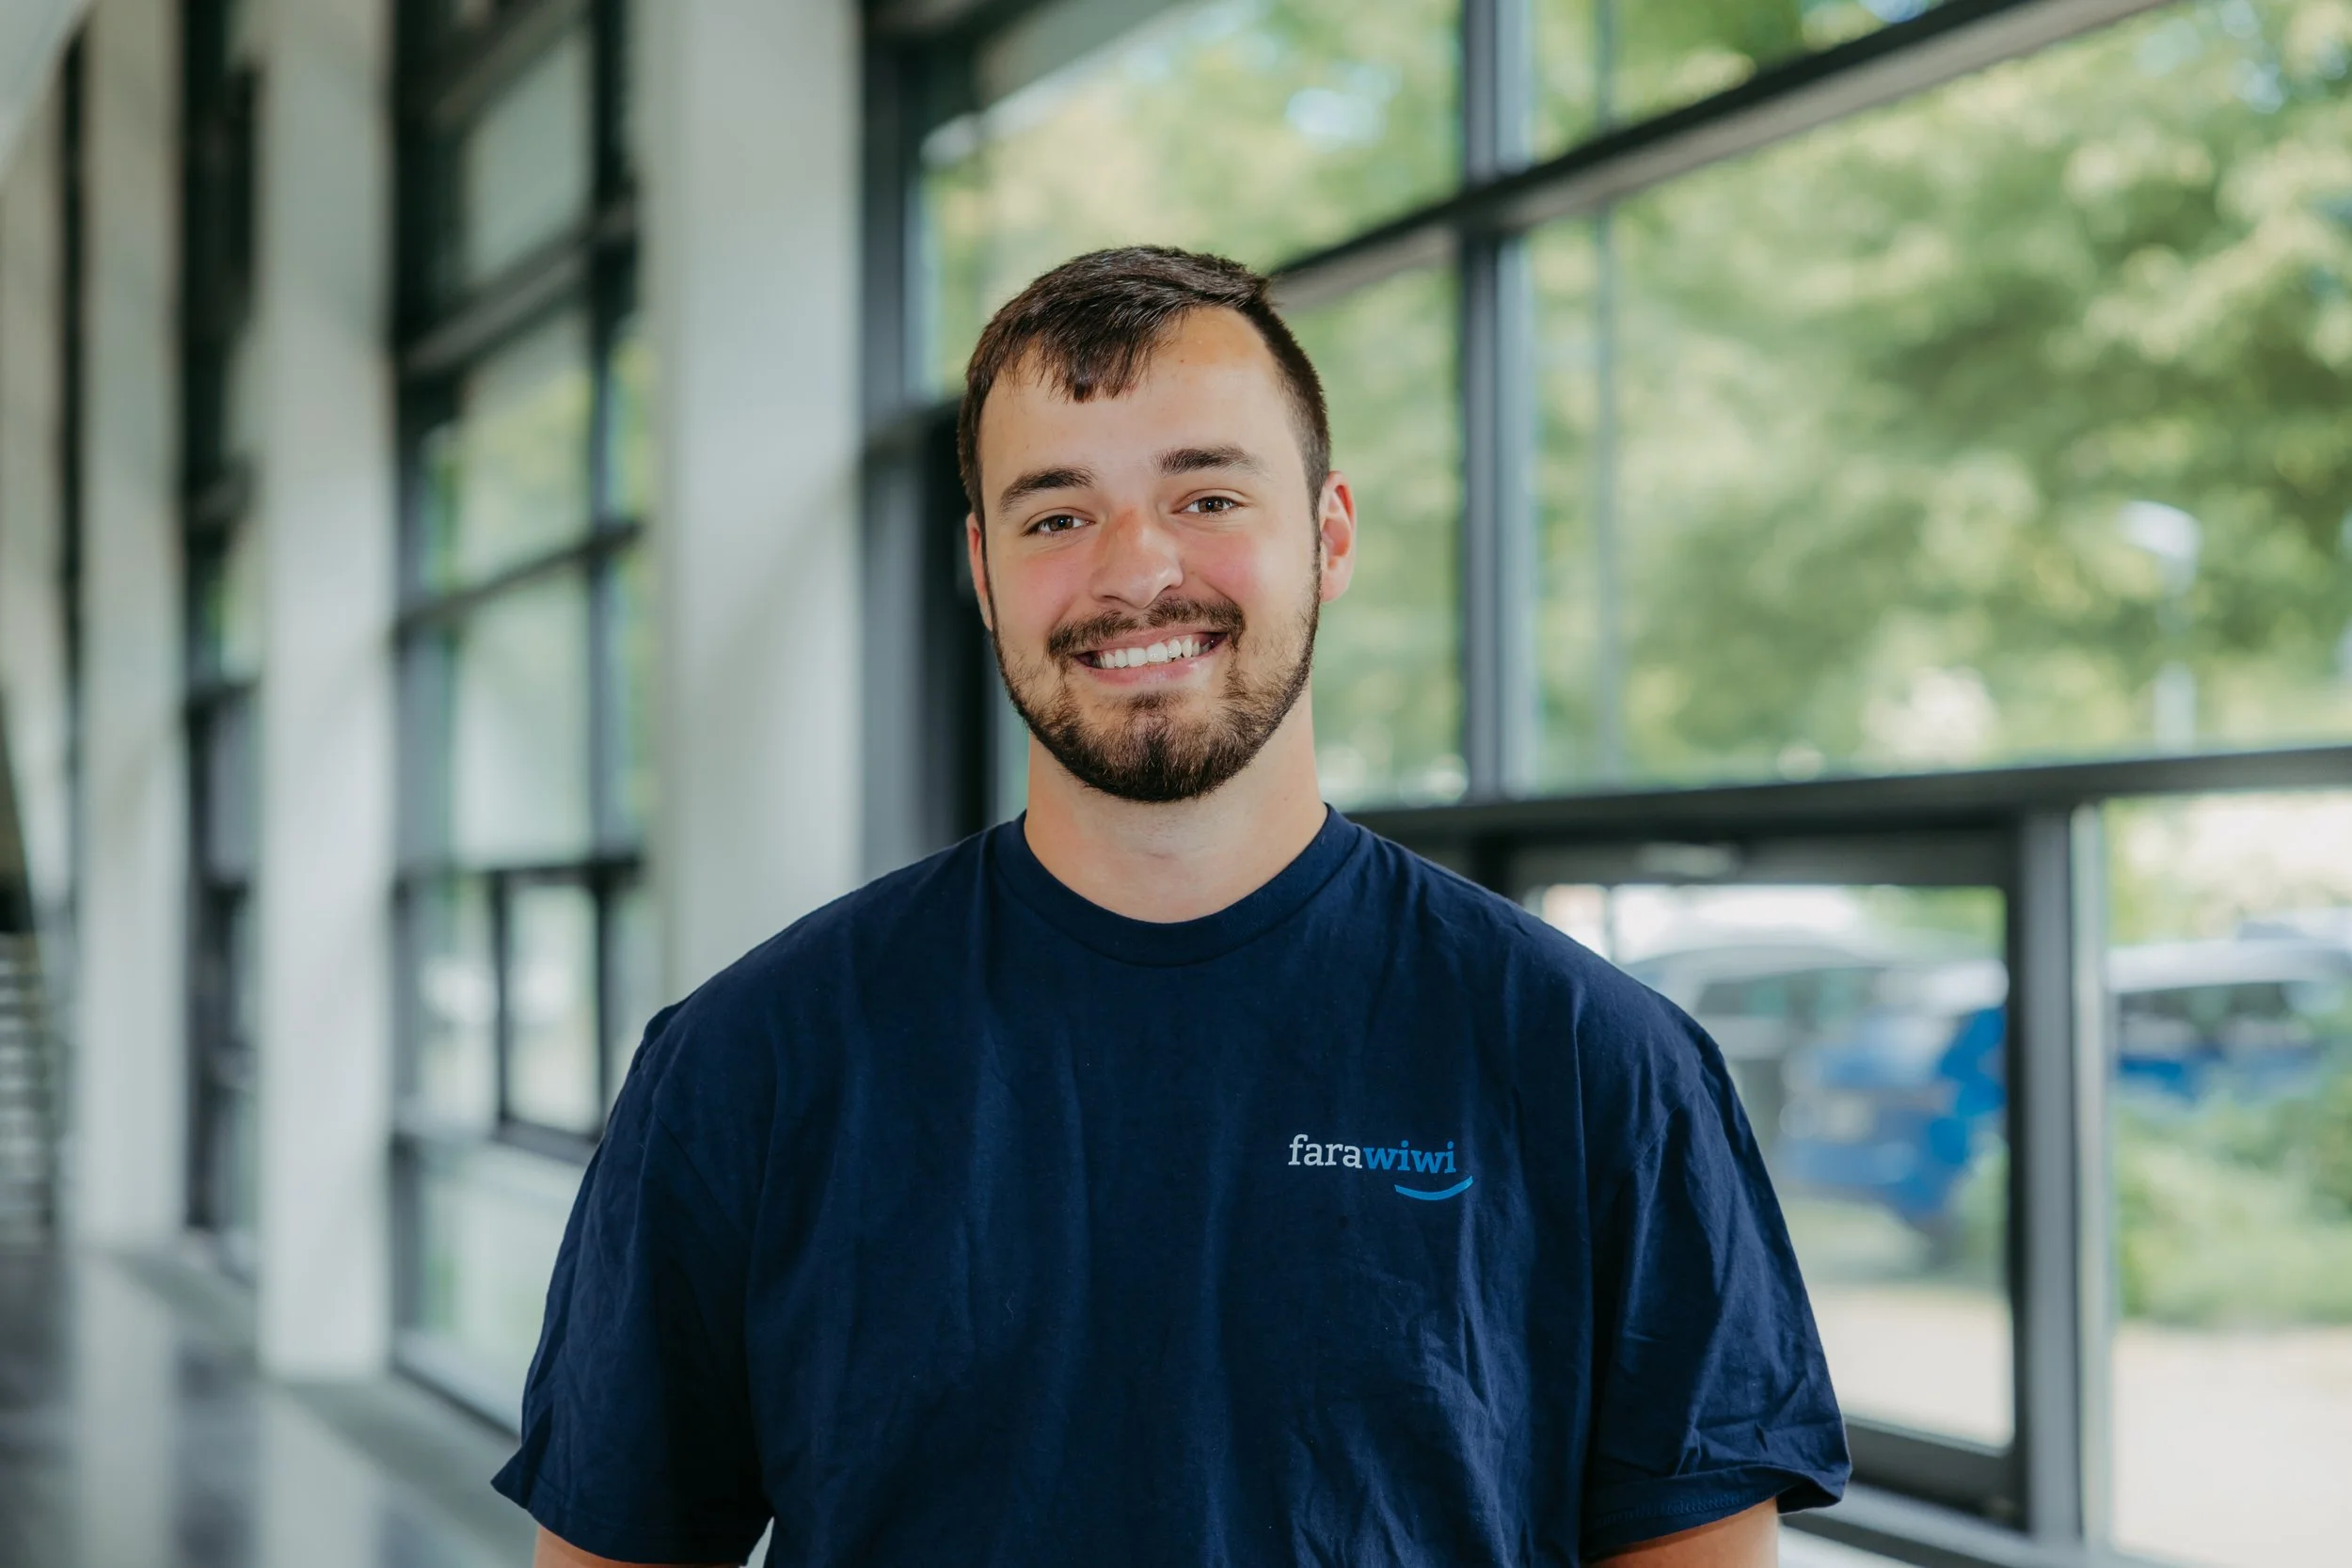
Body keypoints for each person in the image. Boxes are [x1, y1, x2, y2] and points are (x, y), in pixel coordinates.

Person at [496, 246, 1848, 1568]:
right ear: (982, 569)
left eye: (1206, 497)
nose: (1135, 571)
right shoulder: (749, 1063)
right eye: (1057, 513)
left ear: (1328, 534)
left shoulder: (1597, 1063)